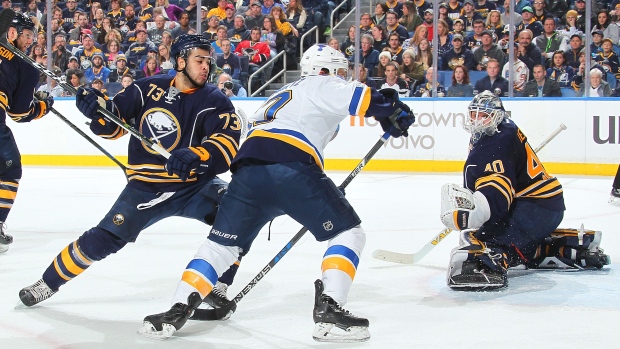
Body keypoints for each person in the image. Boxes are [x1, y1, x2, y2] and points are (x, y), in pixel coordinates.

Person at [137, 43, 415, 342]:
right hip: (290, 168)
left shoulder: (284, 93)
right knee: (349, 233)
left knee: (221, 246)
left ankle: (177, 309)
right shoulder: (321, 82)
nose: (343, 77)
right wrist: (393, 110)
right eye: (340, 71)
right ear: (325, 70)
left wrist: (386, 112)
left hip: (247, 172)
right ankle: (331, 310)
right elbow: (364, 100)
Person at [18, 34, 243, 309]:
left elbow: (226, 146)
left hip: (195, 185)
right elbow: (113, 124)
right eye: (200, 60)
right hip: (146, 187)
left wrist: (197, 154)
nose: (206, 67)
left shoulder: (216, 100)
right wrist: (96, 109)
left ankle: (216, 286)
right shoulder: (147, 88)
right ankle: (47, 283)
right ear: (181, 61)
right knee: (101, 241)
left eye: (208, 61)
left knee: (240, 214)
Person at [443, 91, 610, 290]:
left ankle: (490, 262)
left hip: (535, 207)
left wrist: (474, 213)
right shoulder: (503, 130)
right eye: (474, 114)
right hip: (543, 207)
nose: (477, 120)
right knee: (481, 235)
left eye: (484, 115)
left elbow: (497, 195)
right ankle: (559, 247)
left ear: (497, 116)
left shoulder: (494, 142)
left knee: (479, 239)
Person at [0, 12, 54, 252]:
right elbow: (19, 114)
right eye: (28, 35)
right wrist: (42, 106)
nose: (31, 41)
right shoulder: (26, 65)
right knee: (10, 169)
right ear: (12, 33)